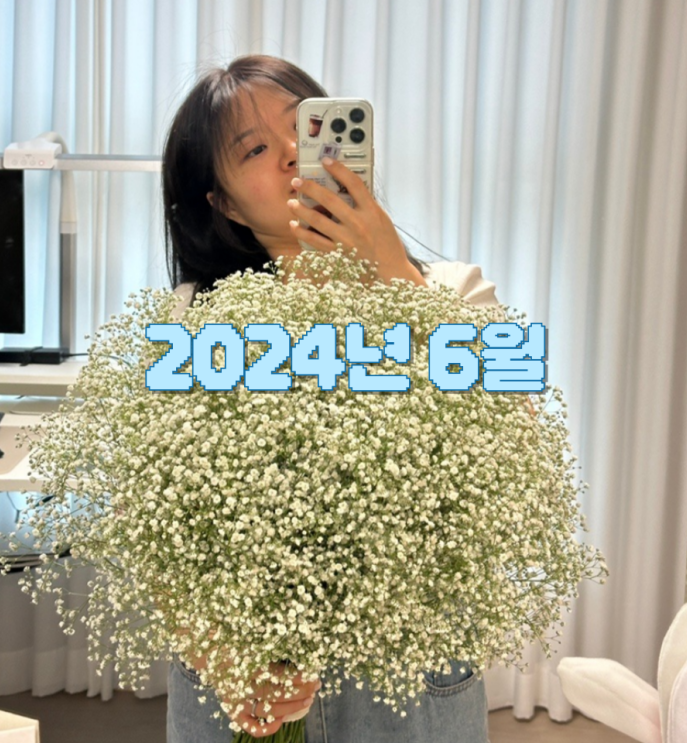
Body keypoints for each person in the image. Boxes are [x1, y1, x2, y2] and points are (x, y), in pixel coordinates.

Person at [162, 54, 498, 743]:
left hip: (405, 680)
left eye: (306, 128)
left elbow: (516, 449)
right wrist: (223, 657)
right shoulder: (193, 320)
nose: (293, 153)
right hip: (244, 678)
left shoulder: (453, 291)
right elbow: (150, 516)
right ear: (224, 203)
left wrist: (393, 277)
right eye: (255, 150)